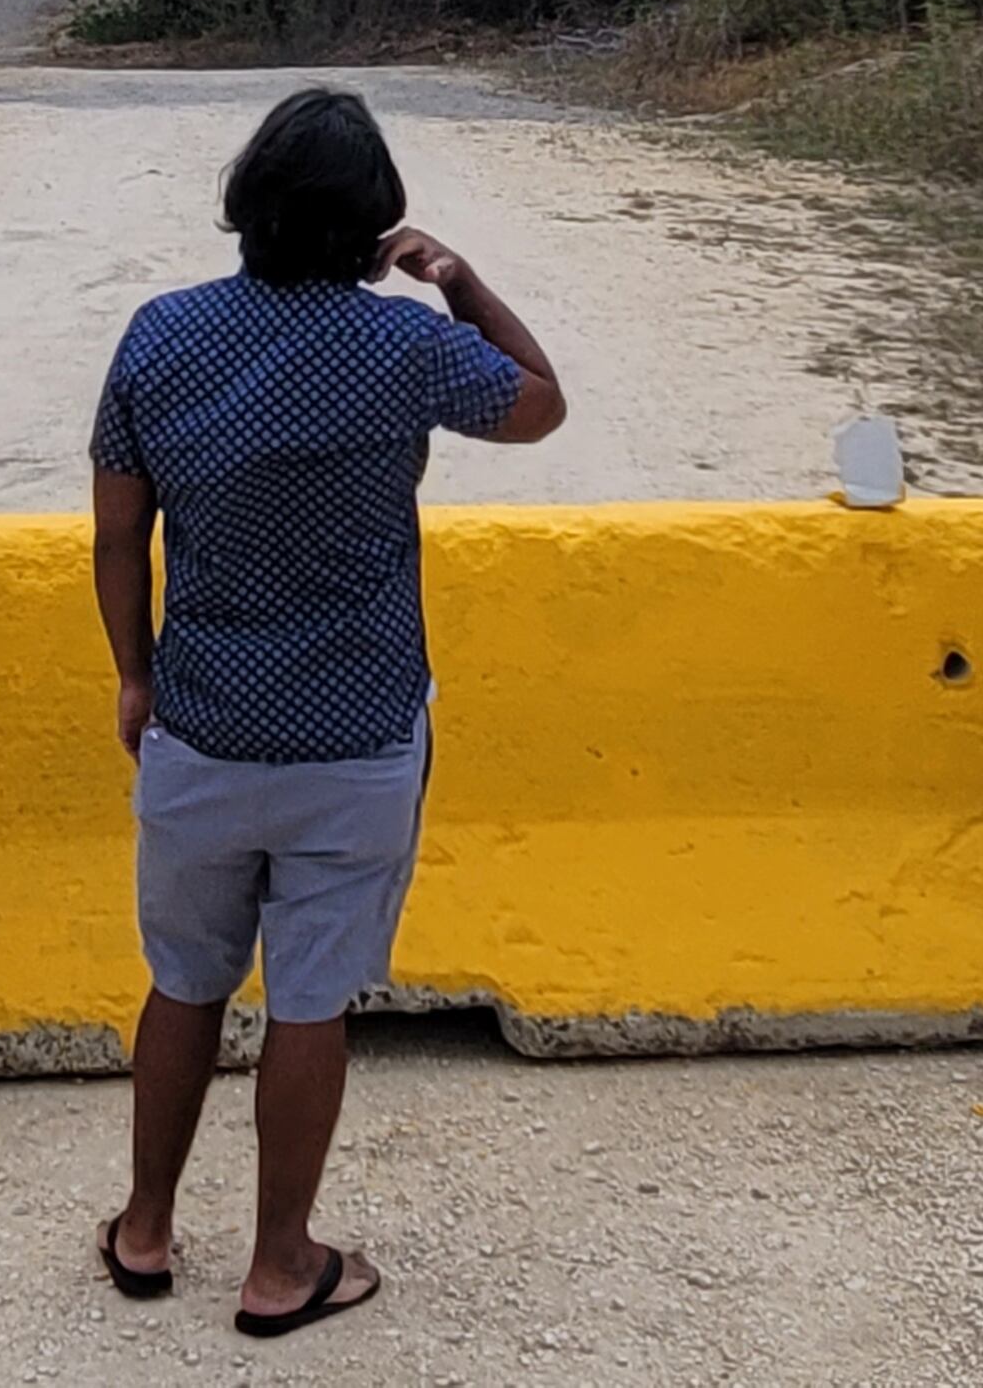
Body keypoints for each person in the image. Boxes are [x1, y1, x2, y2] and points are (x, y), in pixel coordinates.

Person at [86, 88, 567, 1336]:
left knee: (183, 984)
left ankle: (144, 1230)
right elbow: (539, 400)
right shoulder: (405, 347)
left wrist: (137, 677)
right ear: (373, 226)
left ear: (247, 204)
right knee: (309, 1002)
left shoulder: (160, 337)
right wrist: (454, 274)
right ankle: (278, 1263)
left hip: (200, 724)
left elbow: (119, 539)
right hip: (355, 738)